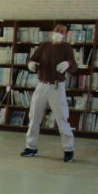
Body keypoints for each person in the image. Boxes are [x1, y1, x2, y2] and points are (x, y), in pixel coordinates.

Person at [20, 23, 77, 163]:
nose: (58, 33)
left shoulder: (66, 48)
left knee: (62, 118)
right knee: (34, 116)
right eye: (57, 30)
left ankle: (68, 150)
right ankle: (31, 147)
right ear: (53, 31)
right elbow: (32, 59)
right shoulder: (44, 46)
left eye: (62, 31)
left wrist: (68, 64)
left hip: (57, 87)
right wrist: (31, 64)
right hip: (42, 85)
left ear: (65, 34)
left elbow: (74, 67)